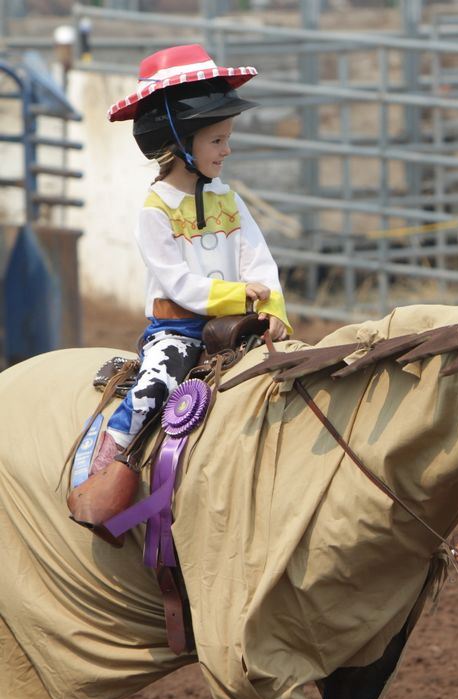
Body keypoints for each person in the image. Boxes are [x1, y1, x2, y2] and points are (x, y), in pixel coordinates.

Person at [67, 44, 292, 540]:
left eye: (226, 138)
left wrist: (272, 307)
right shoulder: (155, 210)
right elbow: (180, 284)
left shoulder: (227, 198)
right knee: (155, 390)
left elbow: (259, 258)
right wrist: (241, 296)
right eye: (217, 140)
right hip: (178, 329)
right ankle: (108, 464)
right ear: (180, 144)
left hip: (240, 327)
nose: (226, 150)